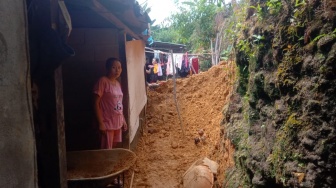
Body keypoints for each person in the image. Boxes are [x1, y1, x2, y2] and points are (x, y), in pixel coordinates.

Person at [93, 57, 127, 149]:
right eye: (114, 67)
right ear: (108, 68)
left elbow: (119, 103)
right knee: (106, 150)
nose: (117, 70)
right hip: (107, 123)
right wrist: (101, 123)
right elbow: (95, 103)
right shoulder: (103, 81)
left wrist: (123, 119)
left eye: (119, 68)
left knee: (114, 148)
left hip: (117, 123)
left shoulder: (117, 83)